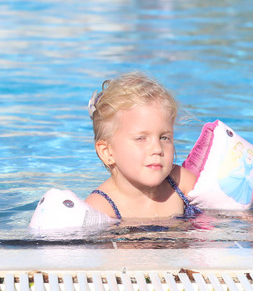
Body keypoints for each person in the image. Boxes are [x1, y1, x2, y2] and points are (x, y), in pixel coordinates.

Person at [85, 72, 200, 220]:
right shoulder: (101, 207)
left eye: (164, 137)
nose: (157, 149)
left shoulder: (180, 182)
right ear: (107, 152)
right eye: (141, 138)